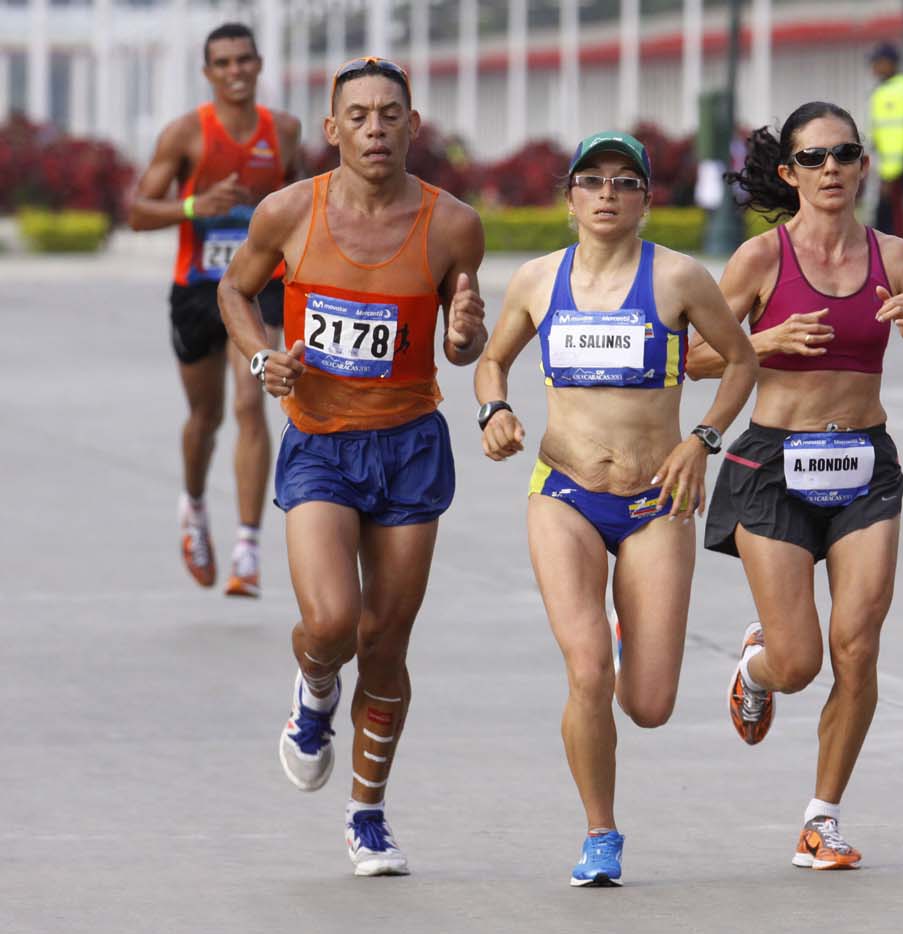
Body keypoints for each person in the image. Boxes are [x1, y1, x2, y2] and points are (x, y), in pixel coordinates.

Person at [218, 57, 488, 876]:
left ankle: (367, 814)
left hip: (409, 443)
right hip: (321, 441)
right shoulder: (289, 212)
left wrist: (466, 333)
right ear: (333, 130)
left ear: (414, 125)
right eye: (359, 116)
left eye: (390, 114)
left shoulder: (453, 226)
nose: (376, 129)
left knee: (386, 642)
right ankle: (313, 693)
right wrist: (265, 358)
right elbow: (234, 292)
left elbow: (463, 341)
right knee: (332, 624)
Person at [474, 131, 757, 886]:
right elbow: (492, 359)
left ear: (646, 200)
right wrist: (493, 411)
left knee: (650, 704)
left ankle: (637, 623)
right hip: (563, 492)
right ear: (569, 198)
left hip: (655, 500)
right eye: (592, 181)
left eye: (624, 182)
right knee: (588, 671)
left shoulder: (678, 279)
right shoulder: (538, 280)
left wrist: (703, 438)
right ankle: (600, 832)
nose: (607, 194)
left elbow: (741, 359)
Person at [690, 101, 903, 870]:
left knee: (858, 647)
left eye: (844, 154)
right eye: (813, 158)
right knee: (800, 661)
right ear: (789, 172)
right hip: (774, 466)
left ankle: (821, 817)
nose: (831, 169)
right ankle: (756, 666)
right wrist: (761, 340)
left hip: (865, 464)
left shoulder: (895, 257)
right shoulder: (759, 260)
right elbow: (690, 355)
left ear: (864, 165)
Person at [129, 22, 304, 597]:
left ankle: (247, 550)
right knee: (206, 419)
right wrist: (192, 205)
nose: (235, 72)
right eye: (223, 63)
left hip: (257, 283)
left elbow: (302, 205)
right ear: (208, 74)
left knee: (251, 401)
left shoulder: (283, 131)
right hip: (198, 288)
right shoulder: (186, 135)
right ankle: (195, 505)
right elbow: (136, 210)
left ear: (258, 65)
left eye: (243, 61)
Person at [867, 42, 903, 265]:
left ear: (890, 63)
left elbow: (898, 135)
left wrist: (890, 173)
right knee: (889, 215)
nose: (873, 67)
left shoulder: (899, 90)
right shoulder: (883, 90)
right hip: (887, 165)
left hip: (898, 165)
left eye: (877, 62)